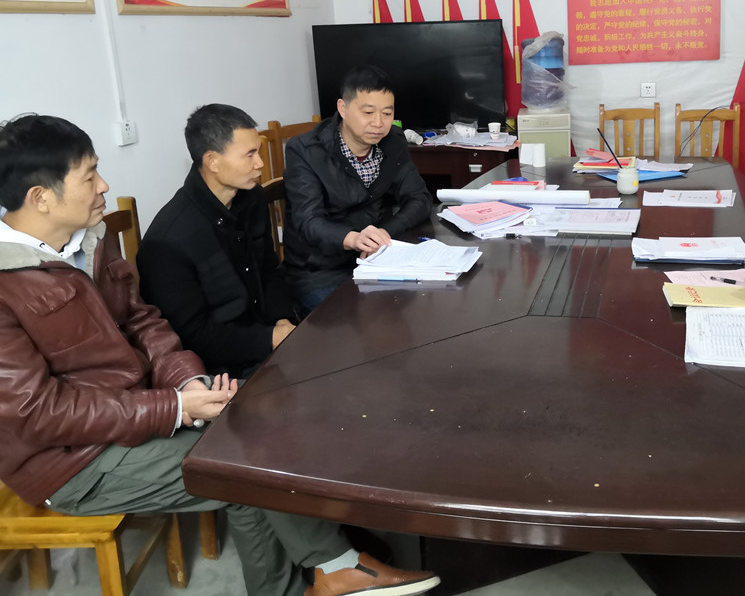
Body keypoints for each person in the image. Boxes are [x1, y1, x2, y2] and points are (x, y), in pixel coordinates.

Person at [0, 114, 440, 596]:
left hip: (141, 407)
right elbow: (38, 414)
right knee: (244, 468)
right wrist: (172, 407)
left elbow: (144, 322)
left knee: (271, 421)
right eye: (89, 177)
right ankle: (336, 566)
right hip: (73, 462)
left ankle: (326, 569)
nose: (104, 185)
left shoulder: (91, 241)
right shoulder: (8, 283)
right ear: (41, 197)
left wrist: (186, 381)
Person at [138, 104, 296, 379]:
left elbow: (269, 270)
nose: (260, 163)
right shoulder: (167, 240)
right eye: (249, 154)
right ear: (212, 161)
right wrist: (268, 338)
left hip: (269, 341)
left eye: (258, 151)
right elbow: (190, 335)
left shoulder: (253, 199)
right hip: (221, 370)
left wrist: (283, 320)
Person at [283, 65, 433, 312]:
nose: (378, 123)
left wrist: (382, 234)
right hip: (319, 272)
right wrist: (355, 239)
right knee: (365, 322)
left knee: (424, 306)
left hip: (375, 260)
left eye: (387, 113)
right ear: (343, 108)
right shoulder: (306, 150)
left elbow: (419, 198)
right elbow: (308, 221)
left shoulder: (393, 141)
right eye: (368, 112)